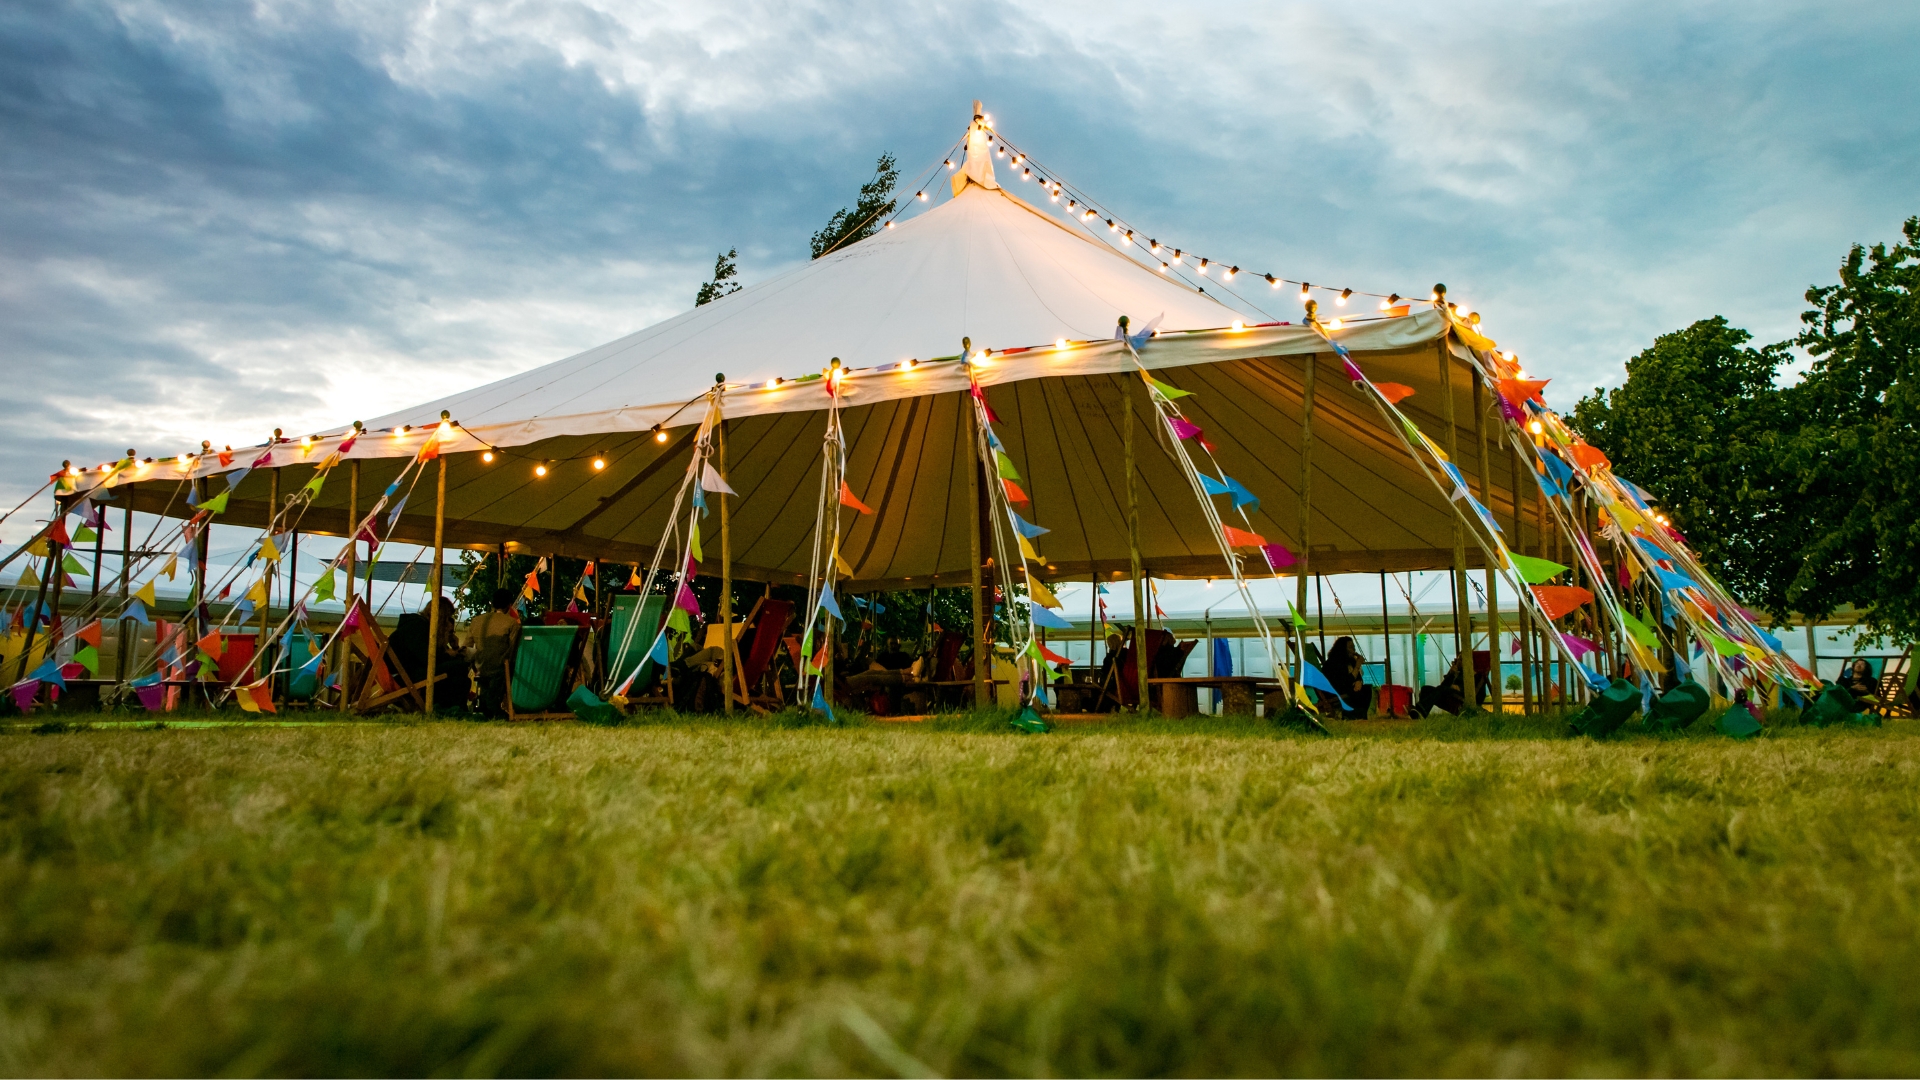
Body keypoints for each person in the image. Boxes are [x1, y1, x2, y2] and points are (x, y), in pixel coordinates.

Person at [465, 588, 521, 718]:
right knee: (509, 666)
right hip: (501, 669)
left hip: (479, 667)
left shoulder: (476, 621)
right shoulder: (512, 623)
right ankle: (494, 705)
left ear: (492, 603)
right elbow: (513, 651)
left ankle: (486, 703)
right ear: (509, 605)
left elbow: (467, 646)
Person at [1323, 636, 1366, 719]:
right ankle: (1352, 715)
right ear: (1342, 649)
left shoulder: (1350, 661)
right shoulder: (1334, 663)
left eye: (1353, 647)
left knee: (1366, 689)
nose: (1353, 650)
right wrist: (1357, 665)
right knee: (1361, 693)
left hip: (1346, 688)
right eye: (1350, 647)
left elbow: (1357, 677)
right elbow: (1346, 681)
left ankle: (1359, 715)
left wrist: (1358, 681)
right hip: (1335, 690)